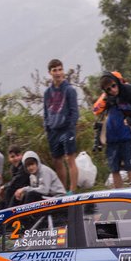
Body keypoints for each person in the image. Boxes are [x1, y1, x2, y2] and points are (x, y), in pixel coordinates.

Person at [43, 59, 79, 194]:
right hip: (53, 130)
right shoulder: (47, 92)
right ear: (50, 73)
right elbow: (46, 111)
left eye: (60, 69)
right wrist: (47, 126)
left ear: (63, 70)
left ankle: (73, 190)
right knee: (57, 161)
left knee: (70, 159)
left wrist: (71, 126)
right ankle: (62, 191)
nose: (58, 73)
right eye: (54, 70)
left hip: (66, 129)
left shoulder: (69, 90)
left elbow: (74, 111)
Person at [99, 72, 131, 188]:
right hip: (112, 139)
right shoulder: (107, 100)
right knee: (114, 169)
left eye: (113, 86)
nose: (112, 90)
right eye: (108, 89)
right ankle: (119, 194)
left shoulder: (126, 94)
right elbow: (99, 112)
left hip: (126, 136)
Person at [0, 145, 31, 209]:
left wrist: (4, 187)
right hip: (19, 189)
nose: (15, 158)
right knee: (2, 202)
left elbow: (17, 181)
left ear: (21, 155)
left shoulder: (24, 166)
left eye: (17, 155)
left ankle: (8, 212)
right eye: (12, 157)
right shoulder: (13, 168)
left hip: (27, 189)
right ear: (9, 158)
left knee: (9, 190)